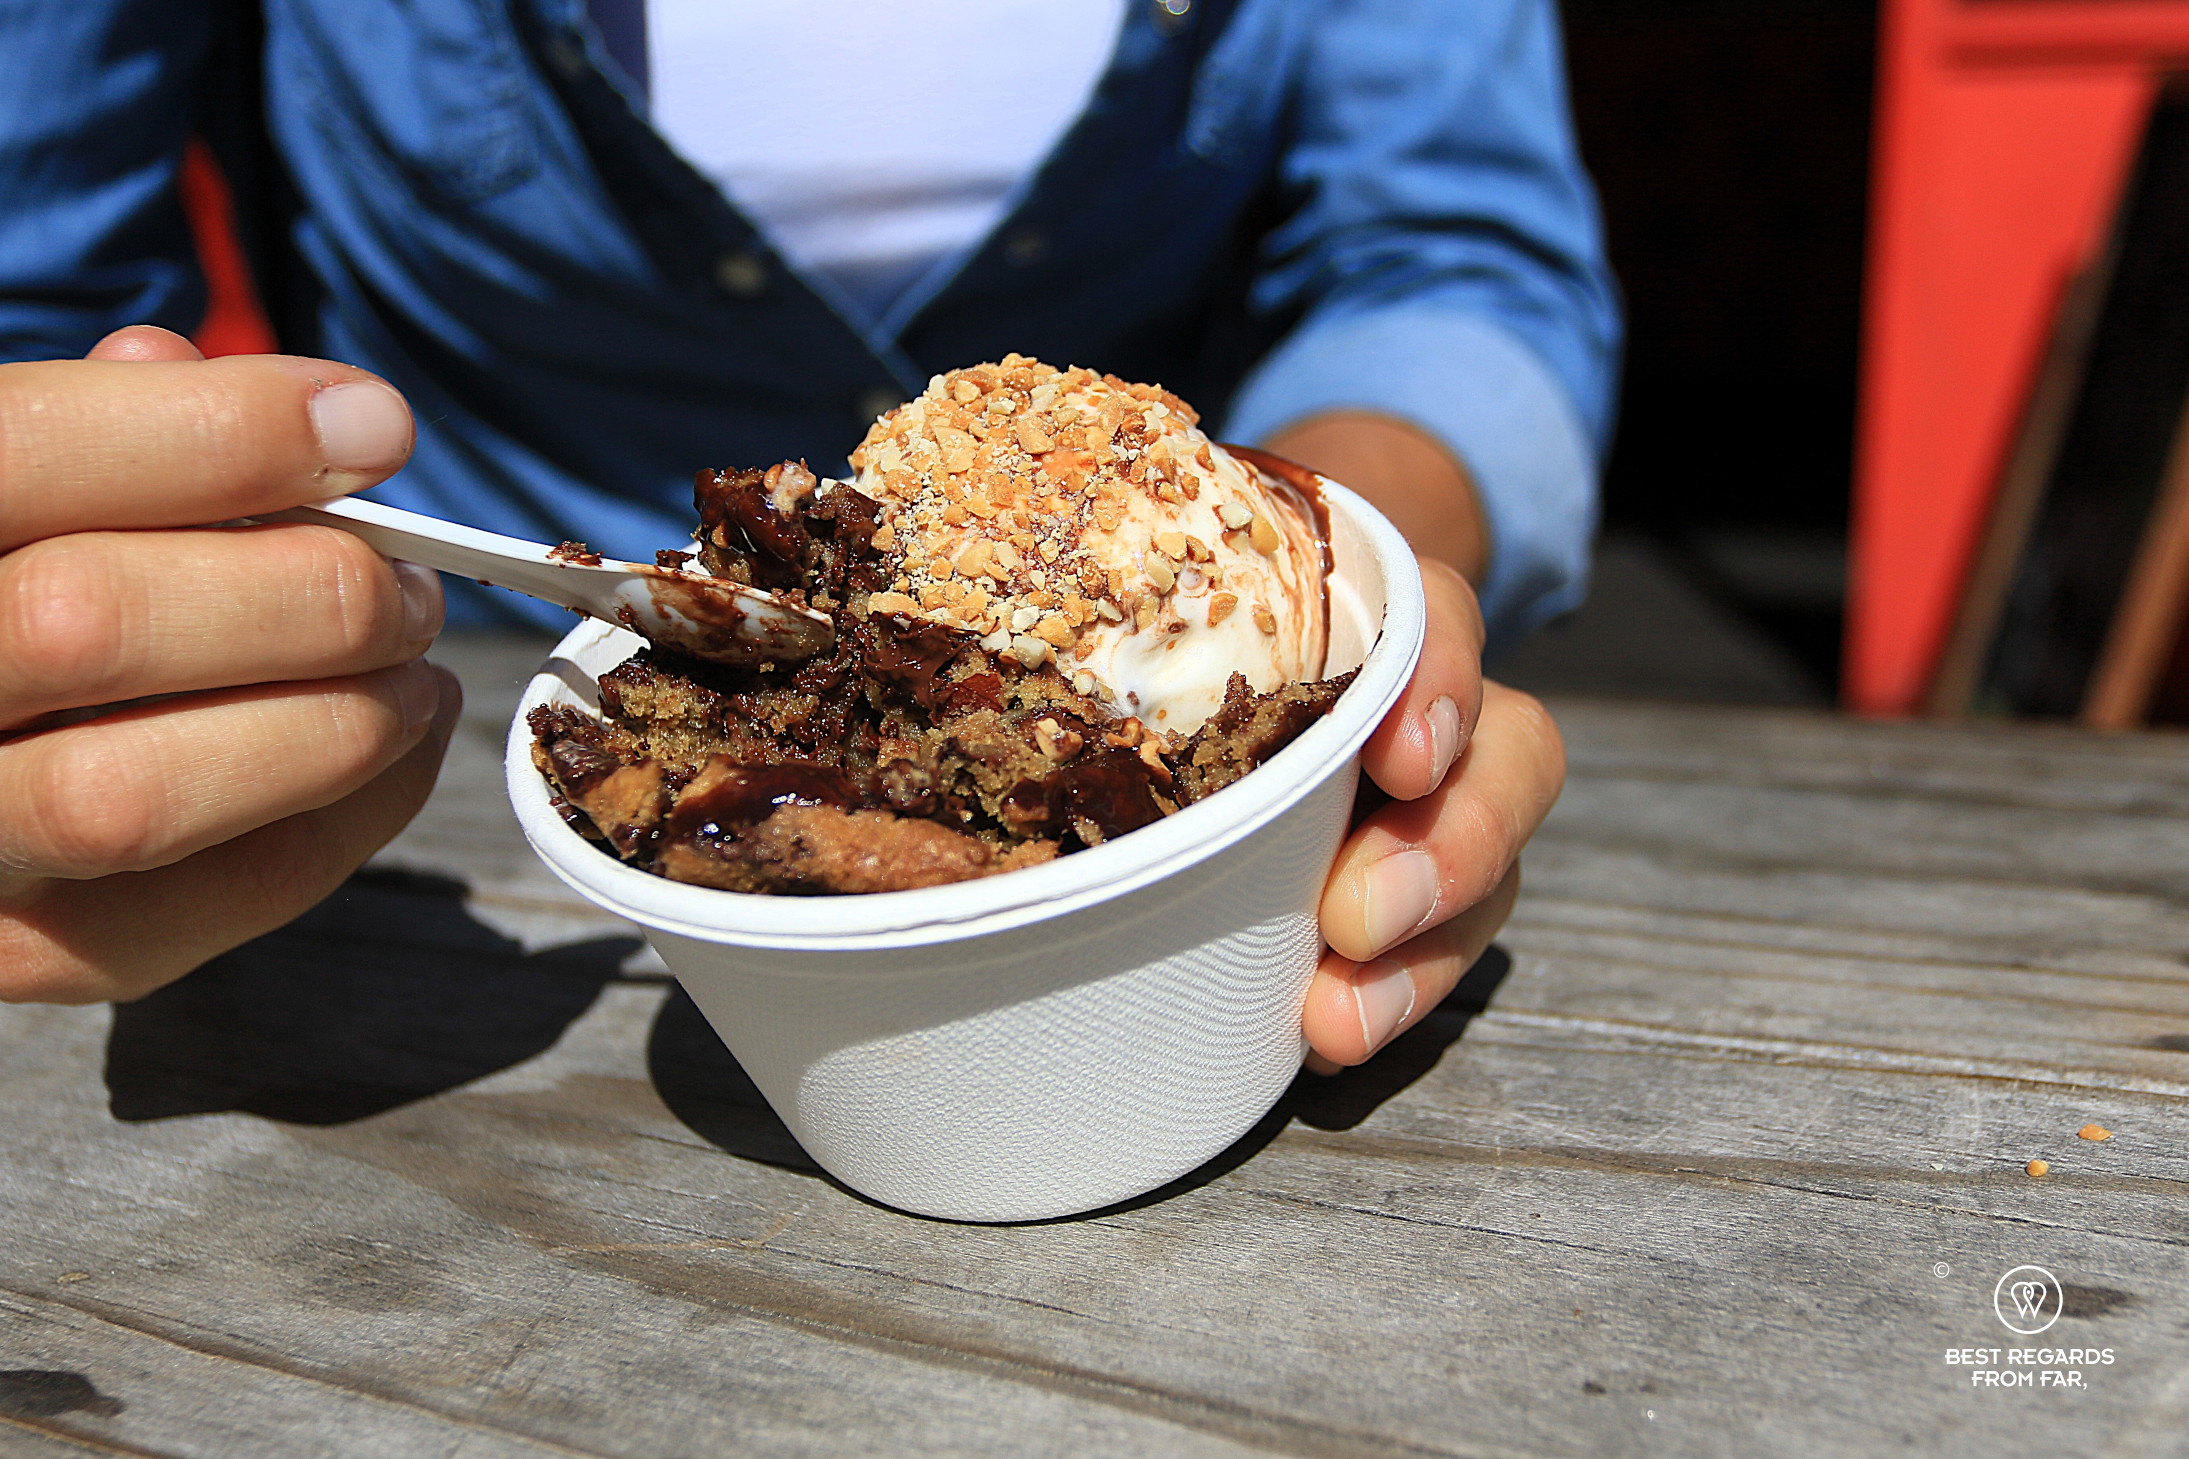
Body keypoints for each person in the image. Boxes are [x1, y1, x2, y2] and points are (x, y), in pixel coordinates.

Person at [0, 1, 1616, 1075]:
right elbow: (38, 302)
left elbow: (1453, 257)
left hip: (1208, 850)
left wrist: (1333, 563)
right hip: (389, 832)